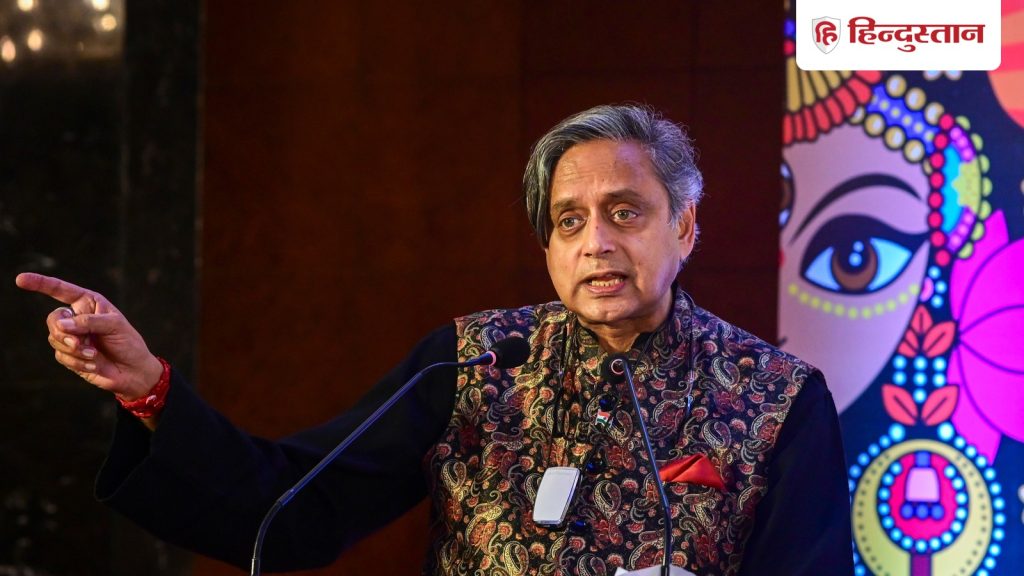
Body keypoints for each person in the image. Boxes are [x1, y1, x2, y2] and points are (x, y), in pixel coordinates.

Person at [16, 105, 853, 575]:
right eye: (569, 221)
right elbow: (293, 508)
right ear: (548, 246)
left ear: (686, 226)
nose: (596, 242)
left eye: (625, 212)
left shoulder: (775, 396)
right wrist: (149, 389)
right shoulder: (473, 363)